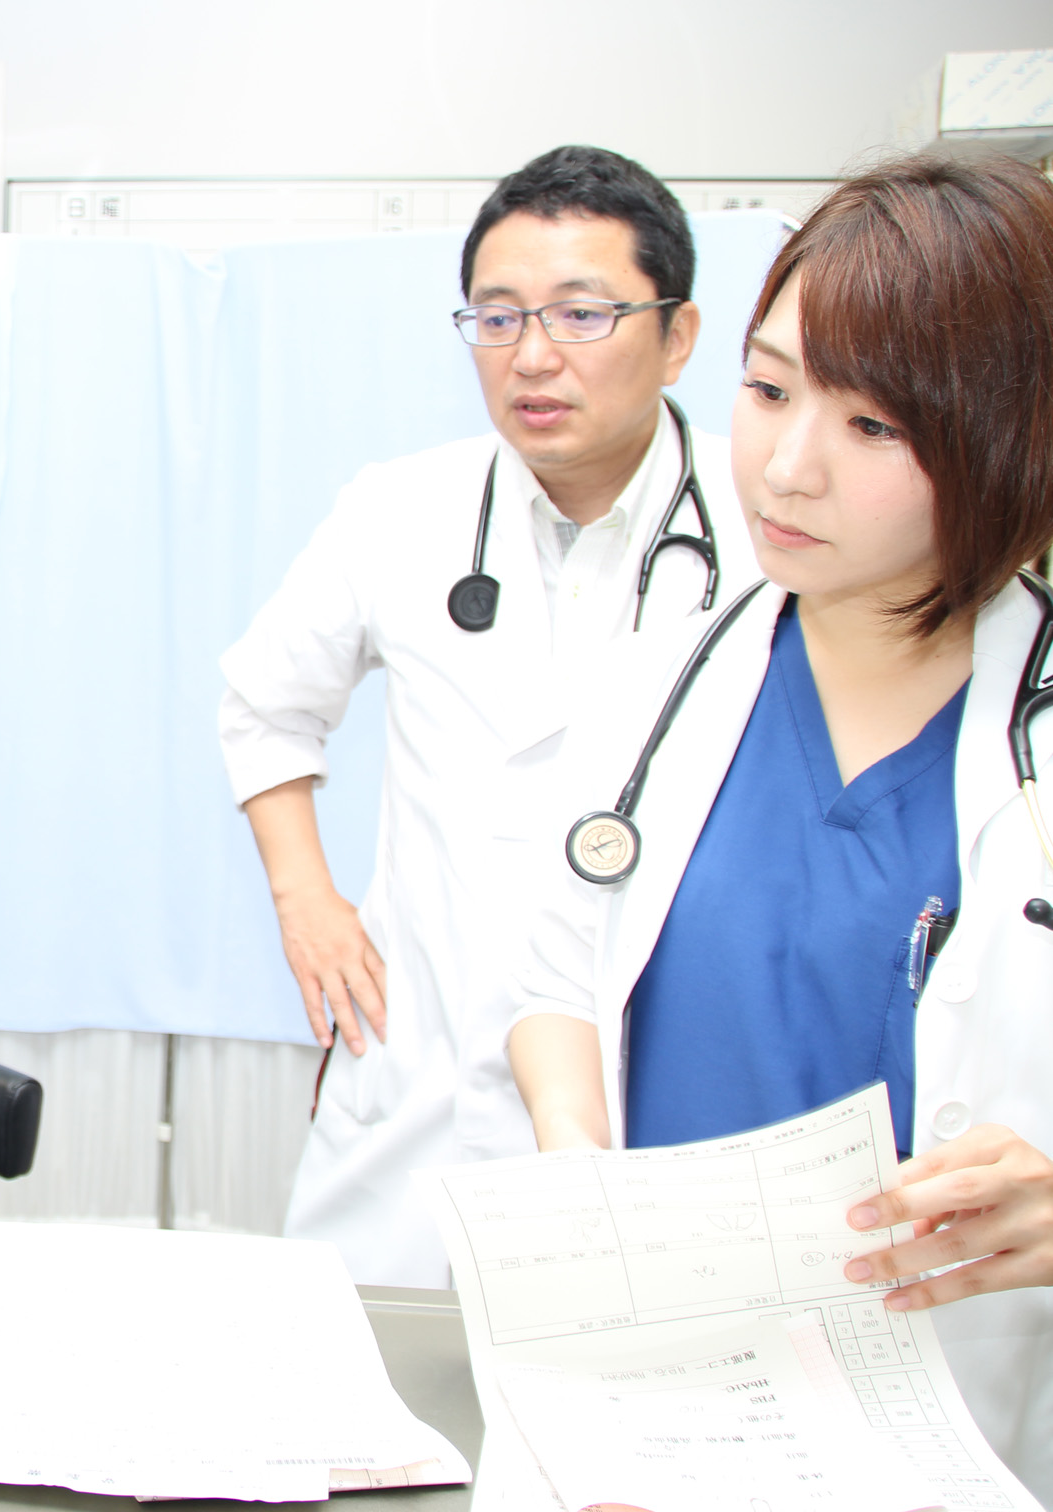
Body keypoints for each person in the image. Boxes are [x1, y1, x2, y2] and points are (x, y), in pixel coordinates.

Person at [507, 152, 1053, 1497]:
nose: (788, 468)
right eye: (767, 391)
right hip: (659, 1406)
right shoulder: (659, 682)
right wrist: (577, 1159)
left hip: (953, 1424)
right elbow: (554, 976)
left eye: (874, 426)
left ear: (1010, 436)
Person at [219, 145, 759, 1286]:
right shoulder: (400, 510)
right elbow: (265, 707)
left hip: (654, 1083)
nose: (533, 355)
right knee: (360, 1366)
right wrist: (306, 901)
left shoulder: (768, 529)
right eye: (499, 317)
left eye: (582, 313)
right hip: (415, 1078)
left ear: (679, 335)